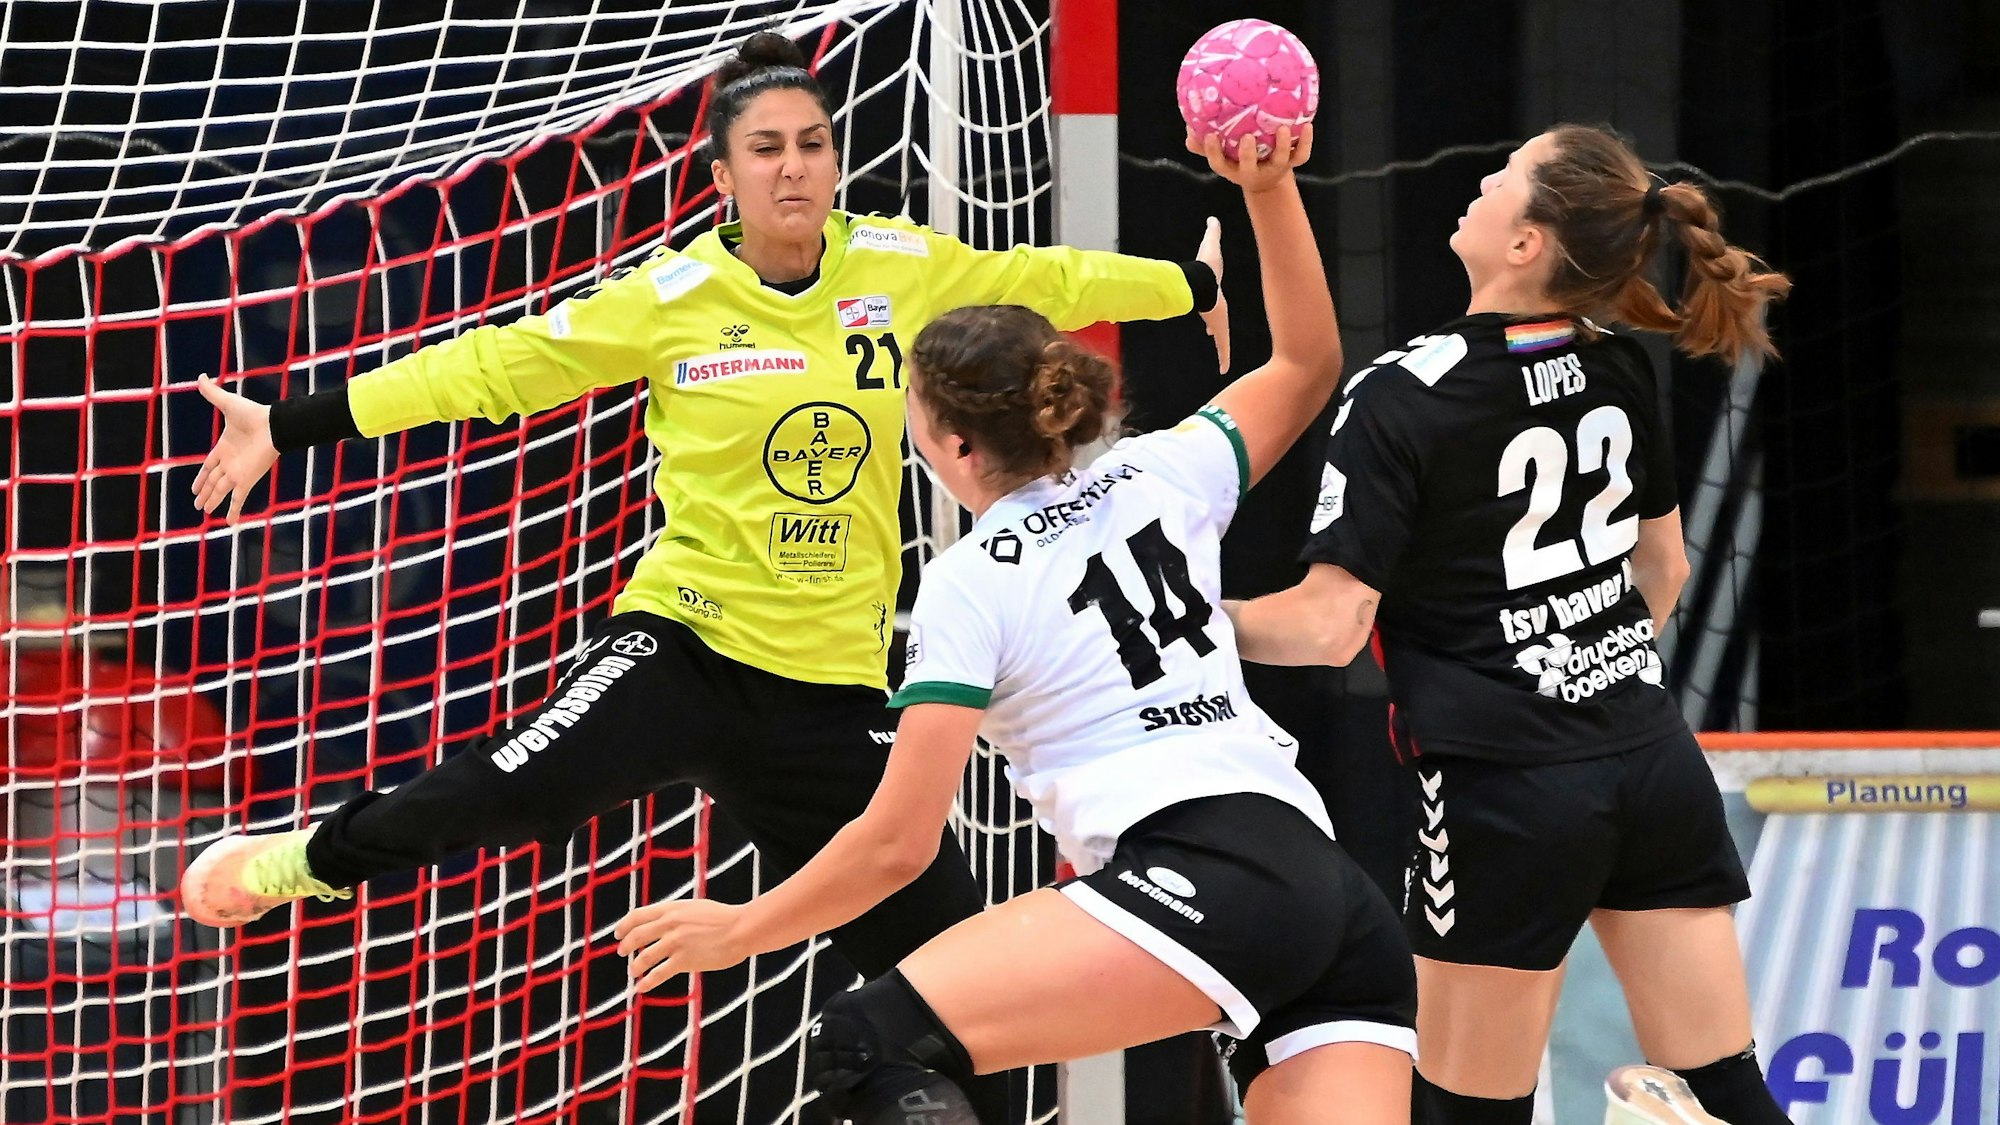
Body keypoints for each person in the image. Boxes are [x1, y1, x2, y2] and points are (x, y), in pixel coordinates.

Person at [178, 35, 1222, 1115]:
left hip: (830, 693)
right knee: (506, 790)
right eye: (765, 149)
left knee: (963, 988)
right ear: (722, 176)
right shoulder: (671, 297)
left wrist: (1188, 285)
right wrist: (290, 425)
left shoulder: (900, 265)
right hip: (686, 645)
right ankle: (296, 863)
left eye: (812, 144)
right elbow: (490, 370)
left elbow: (1045, 279)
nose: (794, 167)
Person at [613, 124, 1419, 1125]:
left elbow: (896, 845)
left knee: (871, 1038)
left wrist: (742, 929)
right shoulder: (1162, 472)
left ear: (951, 442)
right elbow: (1307, 361)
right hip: (1328, 890)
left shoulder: (970, 581)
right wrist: (1269, 185)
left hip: (1200, 874)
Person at [1223, 123, 1795, 1125]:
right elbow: (1663, 570)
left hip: (1504, 788)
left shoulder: (1403, 391)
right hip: (1649, 757)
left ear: (1526, 242)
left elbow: (1326, 627)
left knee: (1468, 1112)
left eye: (1503, 177)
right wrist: (1586, 664)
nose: (1480, 182)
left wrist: (1181, 619)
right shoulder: (1618, 364)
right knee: (1726, 1087)